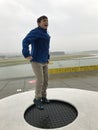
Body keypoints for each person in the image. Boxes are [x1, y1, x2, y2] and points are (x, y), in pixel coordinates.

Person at [22, 15, 50, 110]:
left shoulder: (46, 34)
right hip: (36, 60)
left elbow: (46, 47)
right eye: (44, 21)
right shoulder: (35, 32)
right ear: (39, 23)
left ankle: (43, 96)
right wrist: (26, 53)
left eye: (47, 21)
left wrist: (48, 57)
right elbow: (25, 41)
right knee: (40, 80)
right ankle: (37, 99)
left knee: (46, 80)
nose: (46, 22)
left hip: (44, 61)